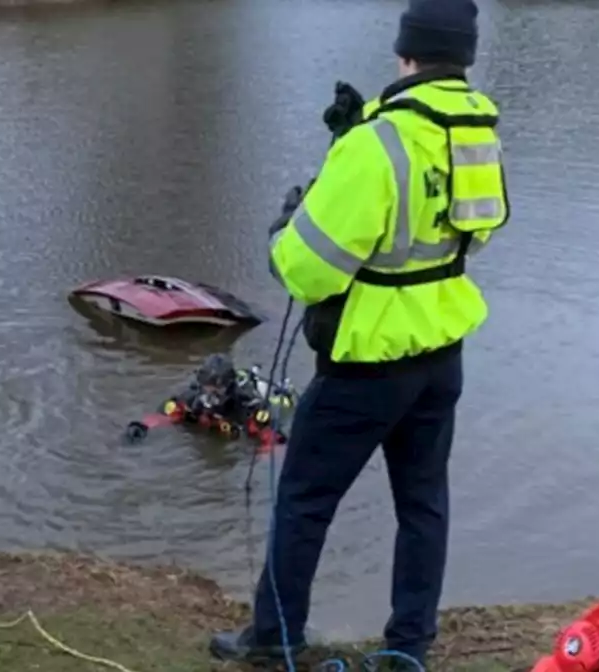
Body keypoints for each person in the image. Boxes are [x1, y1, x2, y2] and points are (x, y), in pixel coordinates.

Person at [210, 0, 510, 667]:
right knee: (424, 503)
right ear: (463, 55)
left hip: (368, 358)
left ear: (405, 51)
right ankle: (409, 647)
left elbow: (306, 272)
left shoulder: (375, 143)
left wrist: (288, 223)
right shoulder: (476, 131)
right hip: (441, 351)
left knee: (304, 500)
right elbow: (476, 233)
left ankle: (274, 639)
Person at [123, 354, 294, 445]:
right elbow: (165, 415)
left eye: (217, 389)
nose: (209, 394)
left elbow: (271, 441)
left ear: (228, 386)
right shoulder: (192, 399)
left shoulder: (244, 408)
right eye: (206, 386)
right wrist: (142, 426)